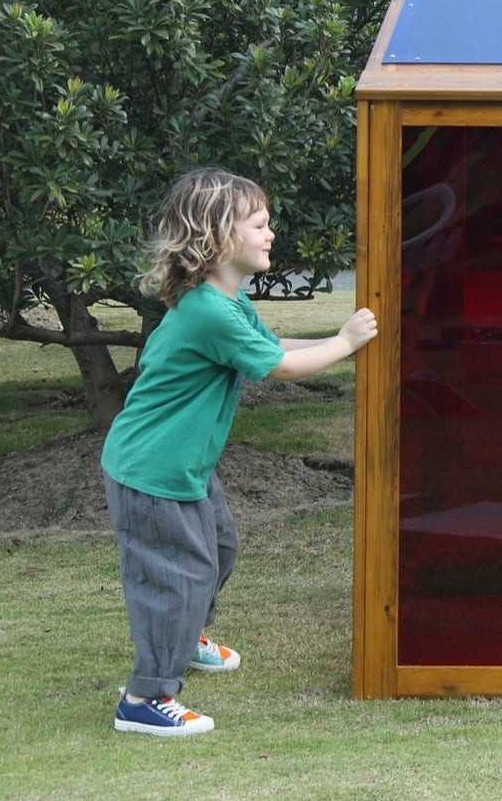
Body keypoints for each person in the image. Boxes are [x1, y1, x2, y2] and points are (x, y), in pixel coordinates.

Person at [103, 168, 378, 737]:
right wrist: (343, 344)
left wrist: (340, 343)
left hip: (183, 467)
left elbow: (271, 345)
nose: (270, 233)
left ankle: (188, 637)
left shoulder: (224, 302)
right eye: (259, 224)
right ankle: (144, 698)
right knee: (177, 577)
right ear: (219, 237)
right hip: (152, 471)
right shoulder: (207, 310)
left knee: (219, 548)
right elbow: (279, 368)